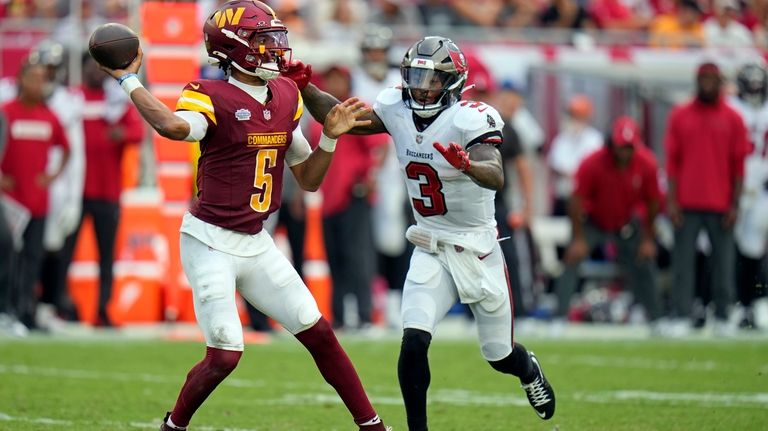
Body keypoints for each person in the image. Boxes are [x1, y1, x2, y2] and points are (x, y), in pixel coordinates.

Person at [96, 2, 390, 430]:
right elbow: (175, 129)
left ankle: (374, 427)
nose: (276, 48)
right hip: (209, 240)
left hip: (256, 241)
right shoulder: (209, 93)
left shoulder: (287, 94)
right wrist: (128, 80)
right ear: (234, 48)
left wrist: (329, 137)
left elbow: (307, 179)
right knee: (225, 355)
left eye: (276, 38)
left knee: (320, 334)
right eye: (263, 40)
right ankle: (173, 426)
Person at [286, 36, 556, 429]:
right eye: (414, 76)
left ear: (452, 82)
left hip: (478, 249)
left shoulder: (470, 119)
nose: (420, 87)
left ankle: (528, 369)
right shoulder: (397, 107)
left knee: (499, 356)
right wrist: (304, 86)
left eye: (430, 79)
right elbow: (340, 118)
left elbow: (495, 175)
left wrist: (468, 166)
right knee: (414, 339)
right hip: (430, 244)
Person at [553, 117, 662, 333]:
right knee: (572, 258)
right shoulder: (593, 162)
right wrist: (578, 238)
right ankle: (558, 317)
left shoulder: (647, 163)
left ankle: (657, 318)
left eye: (629, 147)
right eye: (621, 147)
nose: (624, 152)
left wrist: (649, 238)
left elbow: (653, 202)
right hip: (594, 221)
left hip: (626, 223)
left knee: (645, 260)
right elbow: (576, 200)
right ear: (611, 143)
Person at [665, 62, 749, 337]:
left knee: (724, 263)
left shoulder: (733, 118)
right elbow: (672, 162)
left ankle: (724, 315)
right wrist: (673, 201)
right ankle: (681, 314)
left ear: (720, 82)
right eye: (704, 79)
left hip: (721, 202)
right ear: (697, 80)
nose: (708, 84)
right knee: (683, 264)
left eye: (713, 79)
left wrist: (735, 204)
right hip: (687, 202)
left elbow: (738, 165)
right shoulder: (680, 114)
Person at [60, 53, 144, 327]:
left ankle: (102, 310)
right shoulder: (73, 99)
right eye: (91, 68)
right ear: (83, 70)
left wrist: (121, 135)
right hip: (75, 191)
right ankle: (61, 304)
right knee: (64, 252)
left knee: (106, 256)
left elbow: (138, 133)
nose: (96, 73)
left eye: (100, 69)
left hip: (107, 191)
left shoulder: (115, 102)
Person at [312, 66, 388, 329]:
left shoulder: (356, 108)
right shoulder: (319, 116)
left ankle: (365, 316)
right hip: (329, 197)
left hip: (353, 194)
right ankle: (341, 318)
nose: (333, 83)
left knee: (359, 258)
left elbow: (379, 147)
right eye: (328, 78)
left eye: (338, 78)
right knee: (336, 259)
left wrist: (370, 180)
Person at [0, 62, 70, 331]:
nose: (38, 85)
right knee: (9, 259)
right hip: (10, 203)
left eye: (42, 80)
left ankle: (27, 313)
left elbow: (66, 148)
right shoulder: (7, 113)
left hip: (38, 202)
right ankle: (8, 310)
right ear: (20, 80)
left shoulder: (49, 117)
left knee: (32, 260)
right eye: (33, 79)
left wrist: (51, 177)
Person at [729, 62, 768, 329]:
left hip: (762, 188)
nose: (753, 89)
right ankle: (722, 303)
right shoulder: (731, 109)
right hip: (733, 188)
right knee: (719, 248)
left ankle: (752, 304)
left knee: (754, 250)